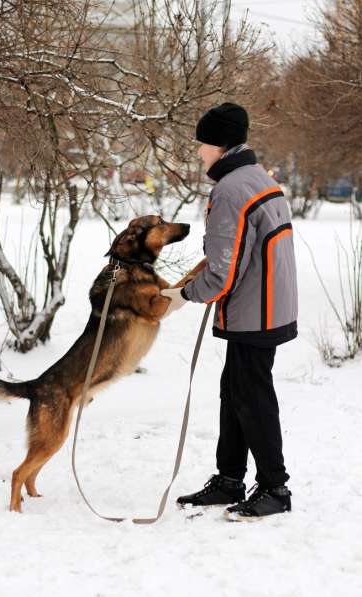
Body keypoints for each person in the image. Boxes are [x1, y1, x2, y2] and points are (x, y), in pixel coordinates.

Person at [161, 102, 298, 521]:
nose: (199, 151)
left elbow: (223, 271)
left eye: (202, 143)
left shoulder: (231, 190)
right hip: (266, 306)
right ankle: (230, 478)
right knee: (235, 392)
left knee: (251, 396)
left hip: (255, 312)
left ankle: (275, 487)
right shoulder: (258, 180)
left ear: (219, 144)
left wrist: (183, 296)